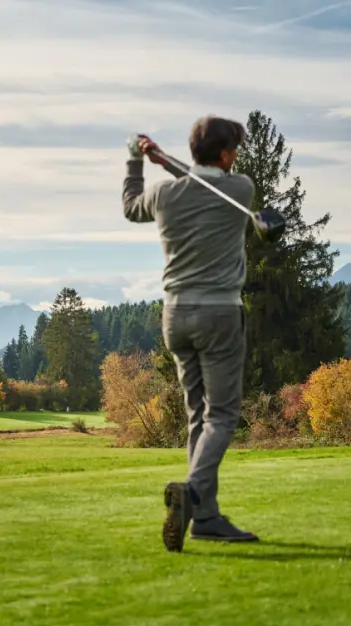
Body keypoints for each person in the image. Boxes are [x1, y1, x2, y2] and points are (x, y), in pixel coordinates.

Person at [122, 116, 260, 552]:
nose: (236, 156)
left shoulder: (164, 195)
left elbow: (131, 206)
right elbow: (209, 184)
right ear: (225, 155)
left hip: (175, 315)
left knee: (199, 417)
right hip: (219, 314)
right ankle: (193, 493)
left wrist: (139, 160)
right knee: (222, 416)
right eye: (233, 150)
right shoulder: (240, 190)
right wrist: (167, 161)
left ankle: (206, 519)